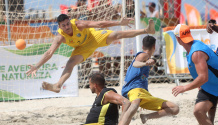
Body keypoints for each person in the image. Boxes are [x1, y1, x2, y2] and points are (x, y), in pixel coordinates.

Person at [26, 14, 155, 93]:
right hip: (81, 48)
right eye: (63, 25)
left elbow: (99, 24)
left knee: (116, 34)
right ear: (59, 27)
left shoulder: (78, 24)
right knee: (70, 63)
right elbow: (49, 52)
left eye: (67, 24)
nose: (67, 27)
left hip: (93, 37)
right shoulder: (60, 37)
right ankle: (57, 86)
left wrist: (119, 23)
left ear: (69, 21)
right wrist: (37, 66)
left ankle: (146, 30)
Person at [172, 24, 218, 125]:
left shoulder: (196, 52)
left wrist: (184, 87)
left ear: (178, 39)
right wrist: (200, 83)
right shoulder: (193, 46)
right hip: (209, 86)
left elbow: (203, 77)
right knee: (198, 111)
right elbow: (202, 75)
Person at [114, 35, 179, 125]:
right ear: (154, 47)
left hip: (142, 92)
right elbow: (136, 63)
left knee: (175, 108)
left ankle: (146, 117)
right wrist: (145, 63)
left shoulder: (146, 56)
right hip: (134, 89)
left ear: (142, 45)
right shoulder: (143, 55)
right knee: (132, 108)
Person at [44, 72, 131, 125]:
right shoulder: (100, 95)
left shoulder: (107, 93)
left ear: (95, 85)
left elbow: (126, 102)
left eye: (90, 84)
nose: (89, 86)